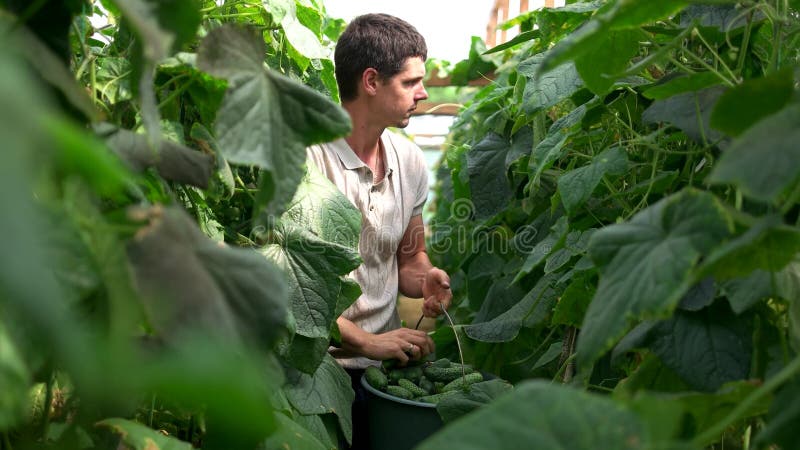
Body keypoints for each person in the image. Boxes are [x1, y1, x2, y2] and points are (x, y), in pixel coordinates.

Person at [305, 13, 453, 449]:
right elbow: (294, 295)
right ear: (371, 81)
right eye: (410, 83)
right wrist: (367, 342)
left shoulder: (409, 162)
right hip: (315, 369)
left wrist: (425, 278)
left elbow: (410, 259)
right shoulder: (309, 160)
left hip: (380, 370)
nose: (423, 93)